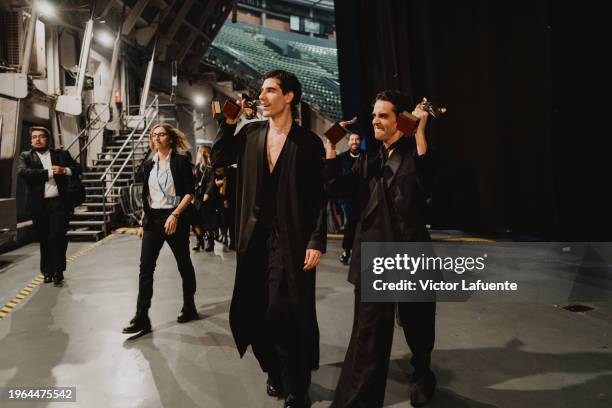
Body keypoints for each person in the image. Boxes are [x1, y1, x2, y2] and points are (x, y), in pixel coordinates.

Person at [211, 70, 326, 408]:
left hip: (292, 237)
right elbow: (218, 159)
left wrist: (317, 239)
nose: (262, 97)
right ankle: (272, 369)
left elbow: (319, 197)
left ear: (289, 96)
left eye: (271, 91)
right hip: (253, 237)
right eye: (261, 91)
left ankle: (296, 384)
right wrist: (229, 120)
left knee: (284, 310)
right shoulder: (250, 135)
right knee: (253, 311)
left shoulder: (308, 142)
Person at [324, 90, 437, 407]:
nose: (375, 120)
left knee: (417, 324)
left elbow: (427, 184)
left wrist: (421, 131)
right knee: (368, 331)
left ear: (400, 120)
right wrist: (332, 144)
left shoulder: (415, 152)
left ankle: (423, 373)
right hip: (375, 256)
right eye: (373, 115)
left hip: (411, 253)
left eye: (383, 115)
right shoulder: (370, 161)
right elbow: (337, 188)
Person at [122, 123, 198, 337]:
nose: (157, 138)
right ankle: (142, 316)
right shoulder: (149, 164)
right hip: (153, 219)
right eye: (154, 135)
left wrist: (175, 214)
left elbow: (189, 193)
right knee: (145, 268)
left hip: (175, 216)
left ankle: (189, 305)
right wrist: (142, 222)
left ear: (170, 138)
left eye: (161, 134)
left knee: (183, 262)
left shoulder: (181, 161)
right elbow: (147, 196)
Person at [17, 126, 82, 286]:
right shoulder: (26, 157)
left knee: (57, 236)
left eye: (41, 136)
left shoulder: (61, 154)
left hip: (59, 203)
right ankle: (47, 271)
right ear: (31, 140)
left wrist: (64, 170)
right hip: (38, 205)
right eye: (34, 137)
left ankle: (58, 271)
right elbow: (24, 173)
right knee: (44, 239)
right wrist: (50, 173)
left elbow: (78, 168)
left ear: (48, 139)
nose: (37, 139)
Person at [335, 131, 363, 264]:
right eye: (352, 139)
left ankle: (358, 253)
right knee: (350, 221)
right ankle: (346, 250)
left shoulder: (366, 156)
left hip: (363, 197)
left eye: (357, 139)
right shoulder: (341, 158)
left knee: (362, 224)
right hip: (346, 197)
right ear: (348, 142)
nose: (354, 142)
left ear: (360, 141)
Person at [193, 146, 215, 251]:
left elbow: (211, 182)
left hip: (207, 198)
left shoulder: (210, 167)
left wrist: (208, 193)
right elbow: (194, 182)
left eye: (199, 151)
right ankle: (199, 241)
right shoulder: (197, 167)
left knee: (207, 222)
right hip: (197, 197)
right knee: (195, 221)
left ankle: (210, 243)